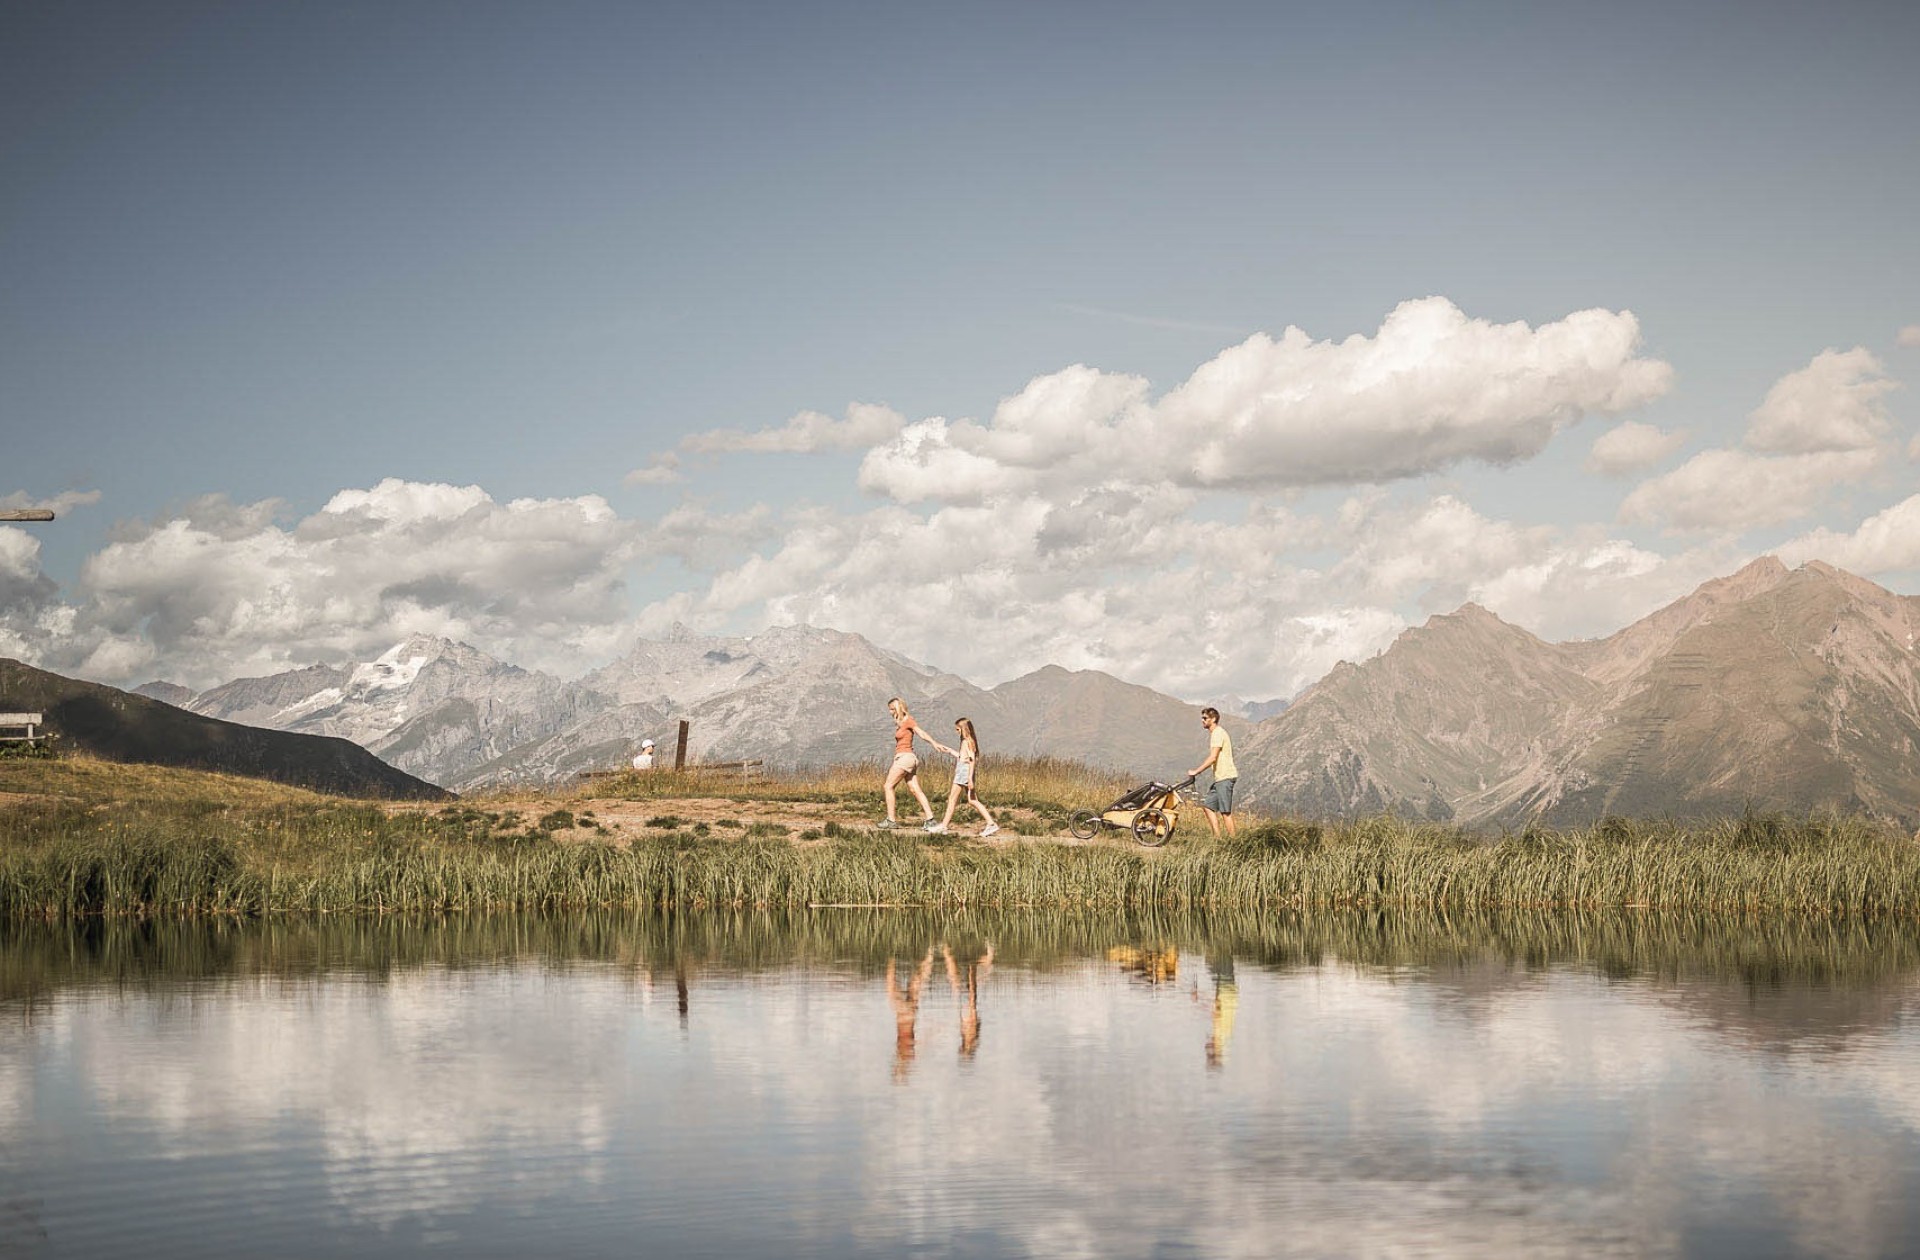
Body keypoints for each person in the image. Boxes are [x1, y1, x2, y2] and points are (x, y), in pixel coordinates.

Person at [923, 717, 1000, 836]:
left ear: (964, 729)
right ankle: (991, 823)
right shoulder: (969, 741)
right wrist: (949, 751)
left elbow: (971, 760)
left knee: (952, 799)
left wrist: (969, 778)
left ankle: (944, 826)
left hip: (963, 772)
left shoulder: (967, 742)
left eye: (958, 729)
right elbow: (962, 757)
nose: (957, 732)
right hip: (965, 771)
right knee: (973, 800)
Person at [879, 697, 937, 830]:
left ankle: (891, 820)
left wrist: (934, 743)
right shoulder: (901, 723)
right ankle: (930, 819)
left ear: (899, 707)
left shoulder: (908, 720)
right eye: (889, 709)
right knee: (915, 789)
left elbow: (920, 732)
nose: (890, 712)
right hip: (908, 758)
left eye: (893, 709)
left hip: (905, 758)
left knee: (888, 786)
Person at [1188, 706, 1239, 837]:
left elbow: (1213, 757)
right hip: (1220, 778)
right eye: (1202, 718)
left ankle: (1235, 842)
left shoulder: (1217, 733)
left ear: (1213, 719)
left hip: (1225, 777)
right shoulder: (1216, 733)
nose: (1202, 721)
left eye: (1205, 718)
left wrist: (1196, 771)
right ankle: (1217, 838)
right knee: (1208, 806)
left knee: (1225, 812)